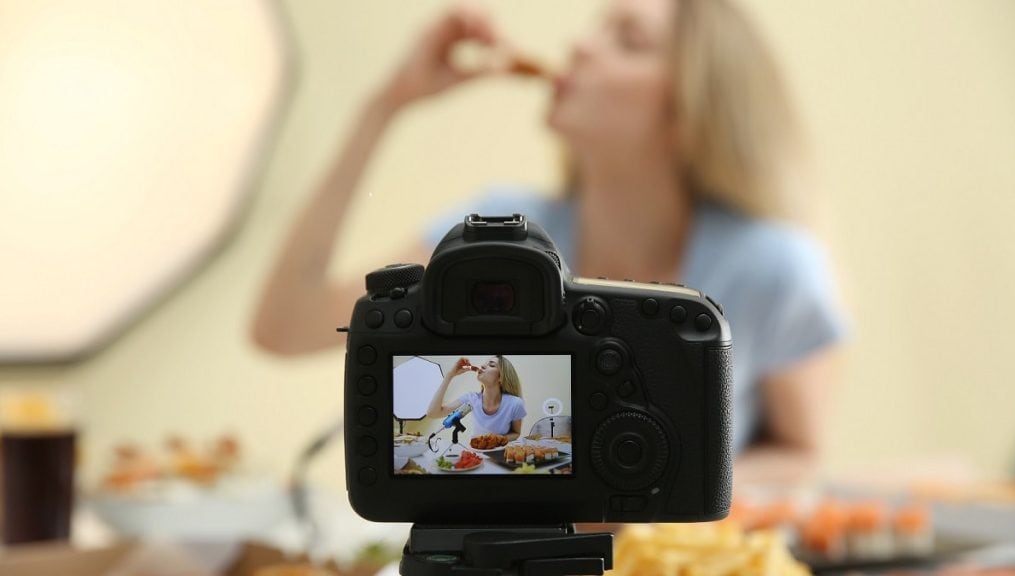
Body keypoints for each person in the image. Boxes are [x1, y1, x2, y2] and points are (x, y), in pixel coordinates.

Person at [252, 0, 848, 484]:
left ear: (691, 109)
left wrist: (660, 520)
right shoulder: (493, 235)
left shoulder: (773, 267)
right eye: (595, 28)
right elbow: (285, 324)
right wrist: (384, 105)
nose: (580, 46)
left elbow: (798, 455)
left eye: (628, 40)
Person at [426, 356, 527, 441]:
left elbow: (516, 433)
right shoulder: (471, 398)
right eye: (484, 364)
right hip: (476, 455)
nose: (482, 366)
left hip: (500, 458)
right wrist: (450, 375)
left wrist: (499, 439)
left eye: (491, 365)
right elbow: (433, 413)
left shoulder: (515, 404)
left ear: (501, 378)